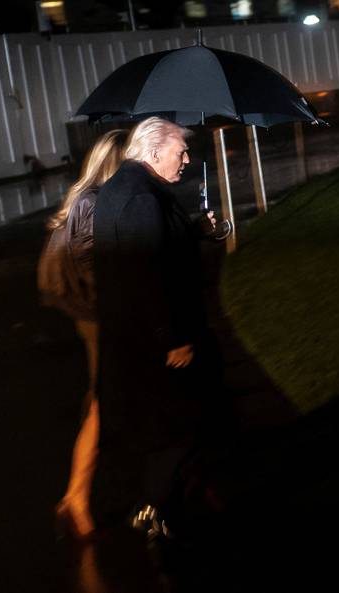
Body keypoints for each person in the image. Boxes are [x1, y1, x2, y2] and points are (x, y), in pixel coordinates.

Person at [90, 117, 224, 537]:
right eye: (180, 152)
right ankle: (153, 511)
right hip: (153, 341)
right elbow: (146, 274)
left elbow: (152, 250)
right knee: (179, 426)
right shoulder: (142, 199)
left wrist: (195, 230)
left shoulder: (118, 190)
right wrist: (173, 339)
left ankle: (158, 506)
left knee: (157, 426)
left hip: (129, 337)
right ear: (152, 153)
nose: (187, 159)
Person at [50, 129, 129, 540]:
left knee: (103, 403)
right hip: (101, 318)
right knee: (102, 407)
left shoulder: (83, 200)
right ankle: (77, 497)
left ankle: (75, 496)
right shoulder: (94, 206)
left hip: (93, 317)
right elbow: (98, 272)